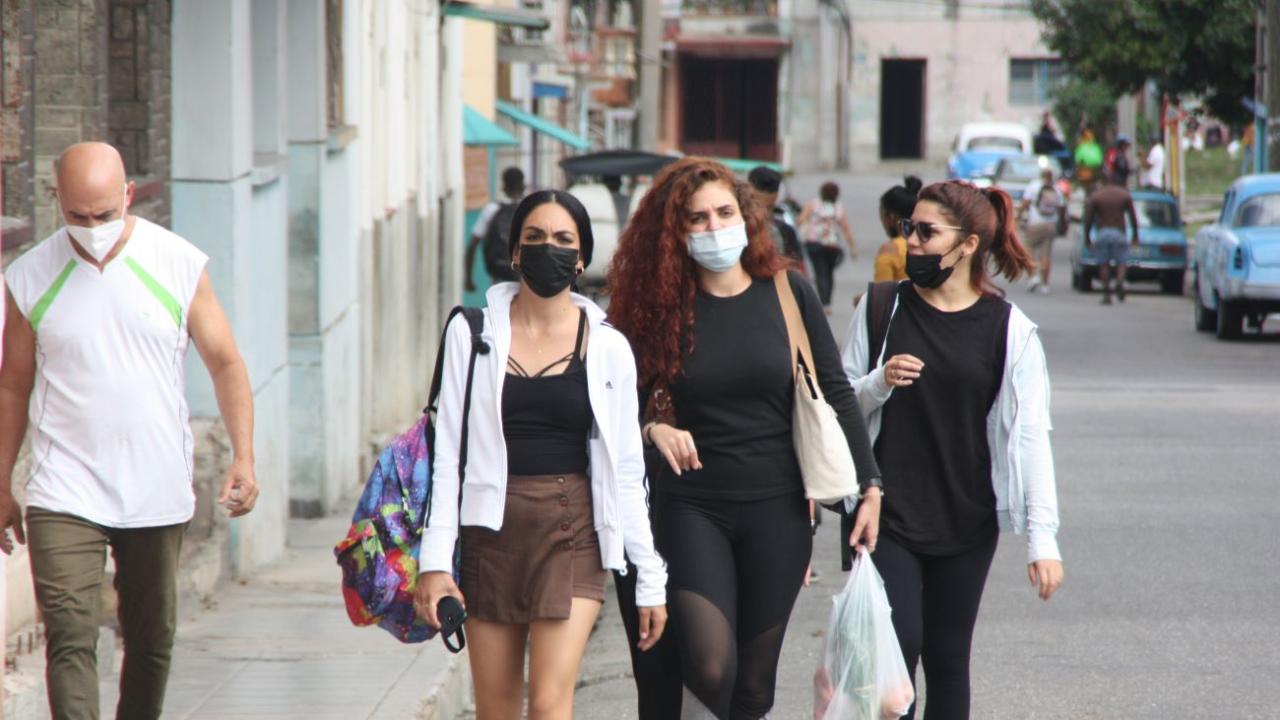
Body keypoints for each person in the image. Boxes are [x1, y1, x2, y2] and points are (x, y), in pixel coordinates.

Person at [606, 157, 883, 719]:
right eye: (697, 219)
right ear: (674, 233)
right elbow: (611, 407)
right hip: (689, 505)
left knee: (754, 688)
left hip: (779, 509)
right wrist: (653, 426)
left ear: (747, 216)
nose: (714, 228)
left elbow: (834, 387)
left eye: (724, 213)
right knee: (711, 667)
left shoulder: (788, 290)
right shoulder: (657, 307)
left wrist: (870, 486)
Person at [0, 142, 259, 719]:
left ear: (128, 196)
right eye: (77, 216)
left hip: (154, 484)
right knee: (69, 637)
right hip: (62, 487)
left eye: (104, 215)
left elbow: (225, 362)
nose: (91, 228)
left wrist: (244, 457)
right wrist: (1, 483)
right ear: (56, 202)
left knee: (151, 638)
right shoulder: (28, 276)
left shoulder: (178, 263)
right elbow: (13, 385)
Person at [413, 189, 668, 720]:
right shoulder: (471, 333)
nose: (546, 249)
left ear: (580, 259)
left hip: (571, 529)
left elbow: (626, 468)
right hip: (490, 530)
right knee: (497, 710)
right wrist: (435, 563)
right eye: (533, 238)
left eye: (561, 240)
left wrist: (649, 575)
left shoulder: (608, 346)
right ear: (513, 253)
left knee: (551, 706)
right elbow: (447, 457)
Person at [841, 180, 1064, 720]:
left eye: (925, 231)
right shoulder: (879, 308)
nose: (910, 241)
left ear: (967, 245)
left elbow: (1031, 434)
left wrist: (1043, 539)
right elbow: (839, 403)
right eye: (906, 228)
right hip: (885, 512)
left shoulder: (1011, 330)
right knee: (896, 655)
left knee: (947, 658)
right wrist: (879, 382)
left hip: (967, 517)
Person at [797, 181, 857, 309]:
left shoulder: (813, 205)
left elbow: (800, 220)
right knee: (829, 273)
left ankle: (823, 301)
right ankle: (827, 302)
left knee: (820, 271)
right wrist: (852, 248)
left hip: (813, 242)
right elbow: (846, 229)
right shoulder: (838, 208)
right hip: (831, 244)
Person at [465, 166, 525, 291]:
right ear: (523, 186)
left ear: (503, 187)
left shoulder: (491, 209)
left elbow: (472, 245)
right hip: (525, 276)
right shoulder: (531, 209)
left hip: (499, 274)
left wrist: (468, 279)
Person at [1083, 176, 1140, 305]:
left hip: (1103, 232)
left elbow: (1088, 219)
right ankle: (1119, 281)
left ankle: (1106, 294)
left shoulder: (1097, 196)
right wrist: (1135, 235)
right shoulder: (1124, 195)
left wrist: (1087, 238)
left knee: (1104, 264)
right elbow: (1133, 217)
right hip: (1119, 232)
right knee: (1121, 262)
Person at [747, 165, 805, 271]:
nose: (764, 214)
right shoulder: (734, 227)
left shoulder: (785, 230)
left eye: (769, 207)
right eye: (758, 206)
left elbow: (797, 268)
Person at [1018, 167, 1066, 294]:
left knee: (1029, 249)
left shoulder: (1033, 186)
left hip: (1035, 224)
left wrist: (1018, 215)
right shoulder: (1057, 188)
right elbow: (1062, 208)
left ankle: (1033, 276)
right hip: (1051, 225)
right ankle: (1045, 285)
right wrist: (1062, 224)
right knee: (1046, 254)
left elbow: (1025, 203)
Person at [874, 176, 922, 283]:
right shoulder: (928, 242)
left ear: (891, 218)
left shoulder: (890, 250)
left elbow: (882, 294)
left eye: (882, 216)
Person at [1073, 129, 1104, 196]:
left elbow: (1078, 160)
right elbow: (1100, 160)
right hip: (1095, 171)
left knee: (1088, 188)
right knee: (1093, 187)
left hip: (1086, 172)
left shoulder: (1082, 147)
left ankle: (1089, 198)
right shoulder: (1095, 147)